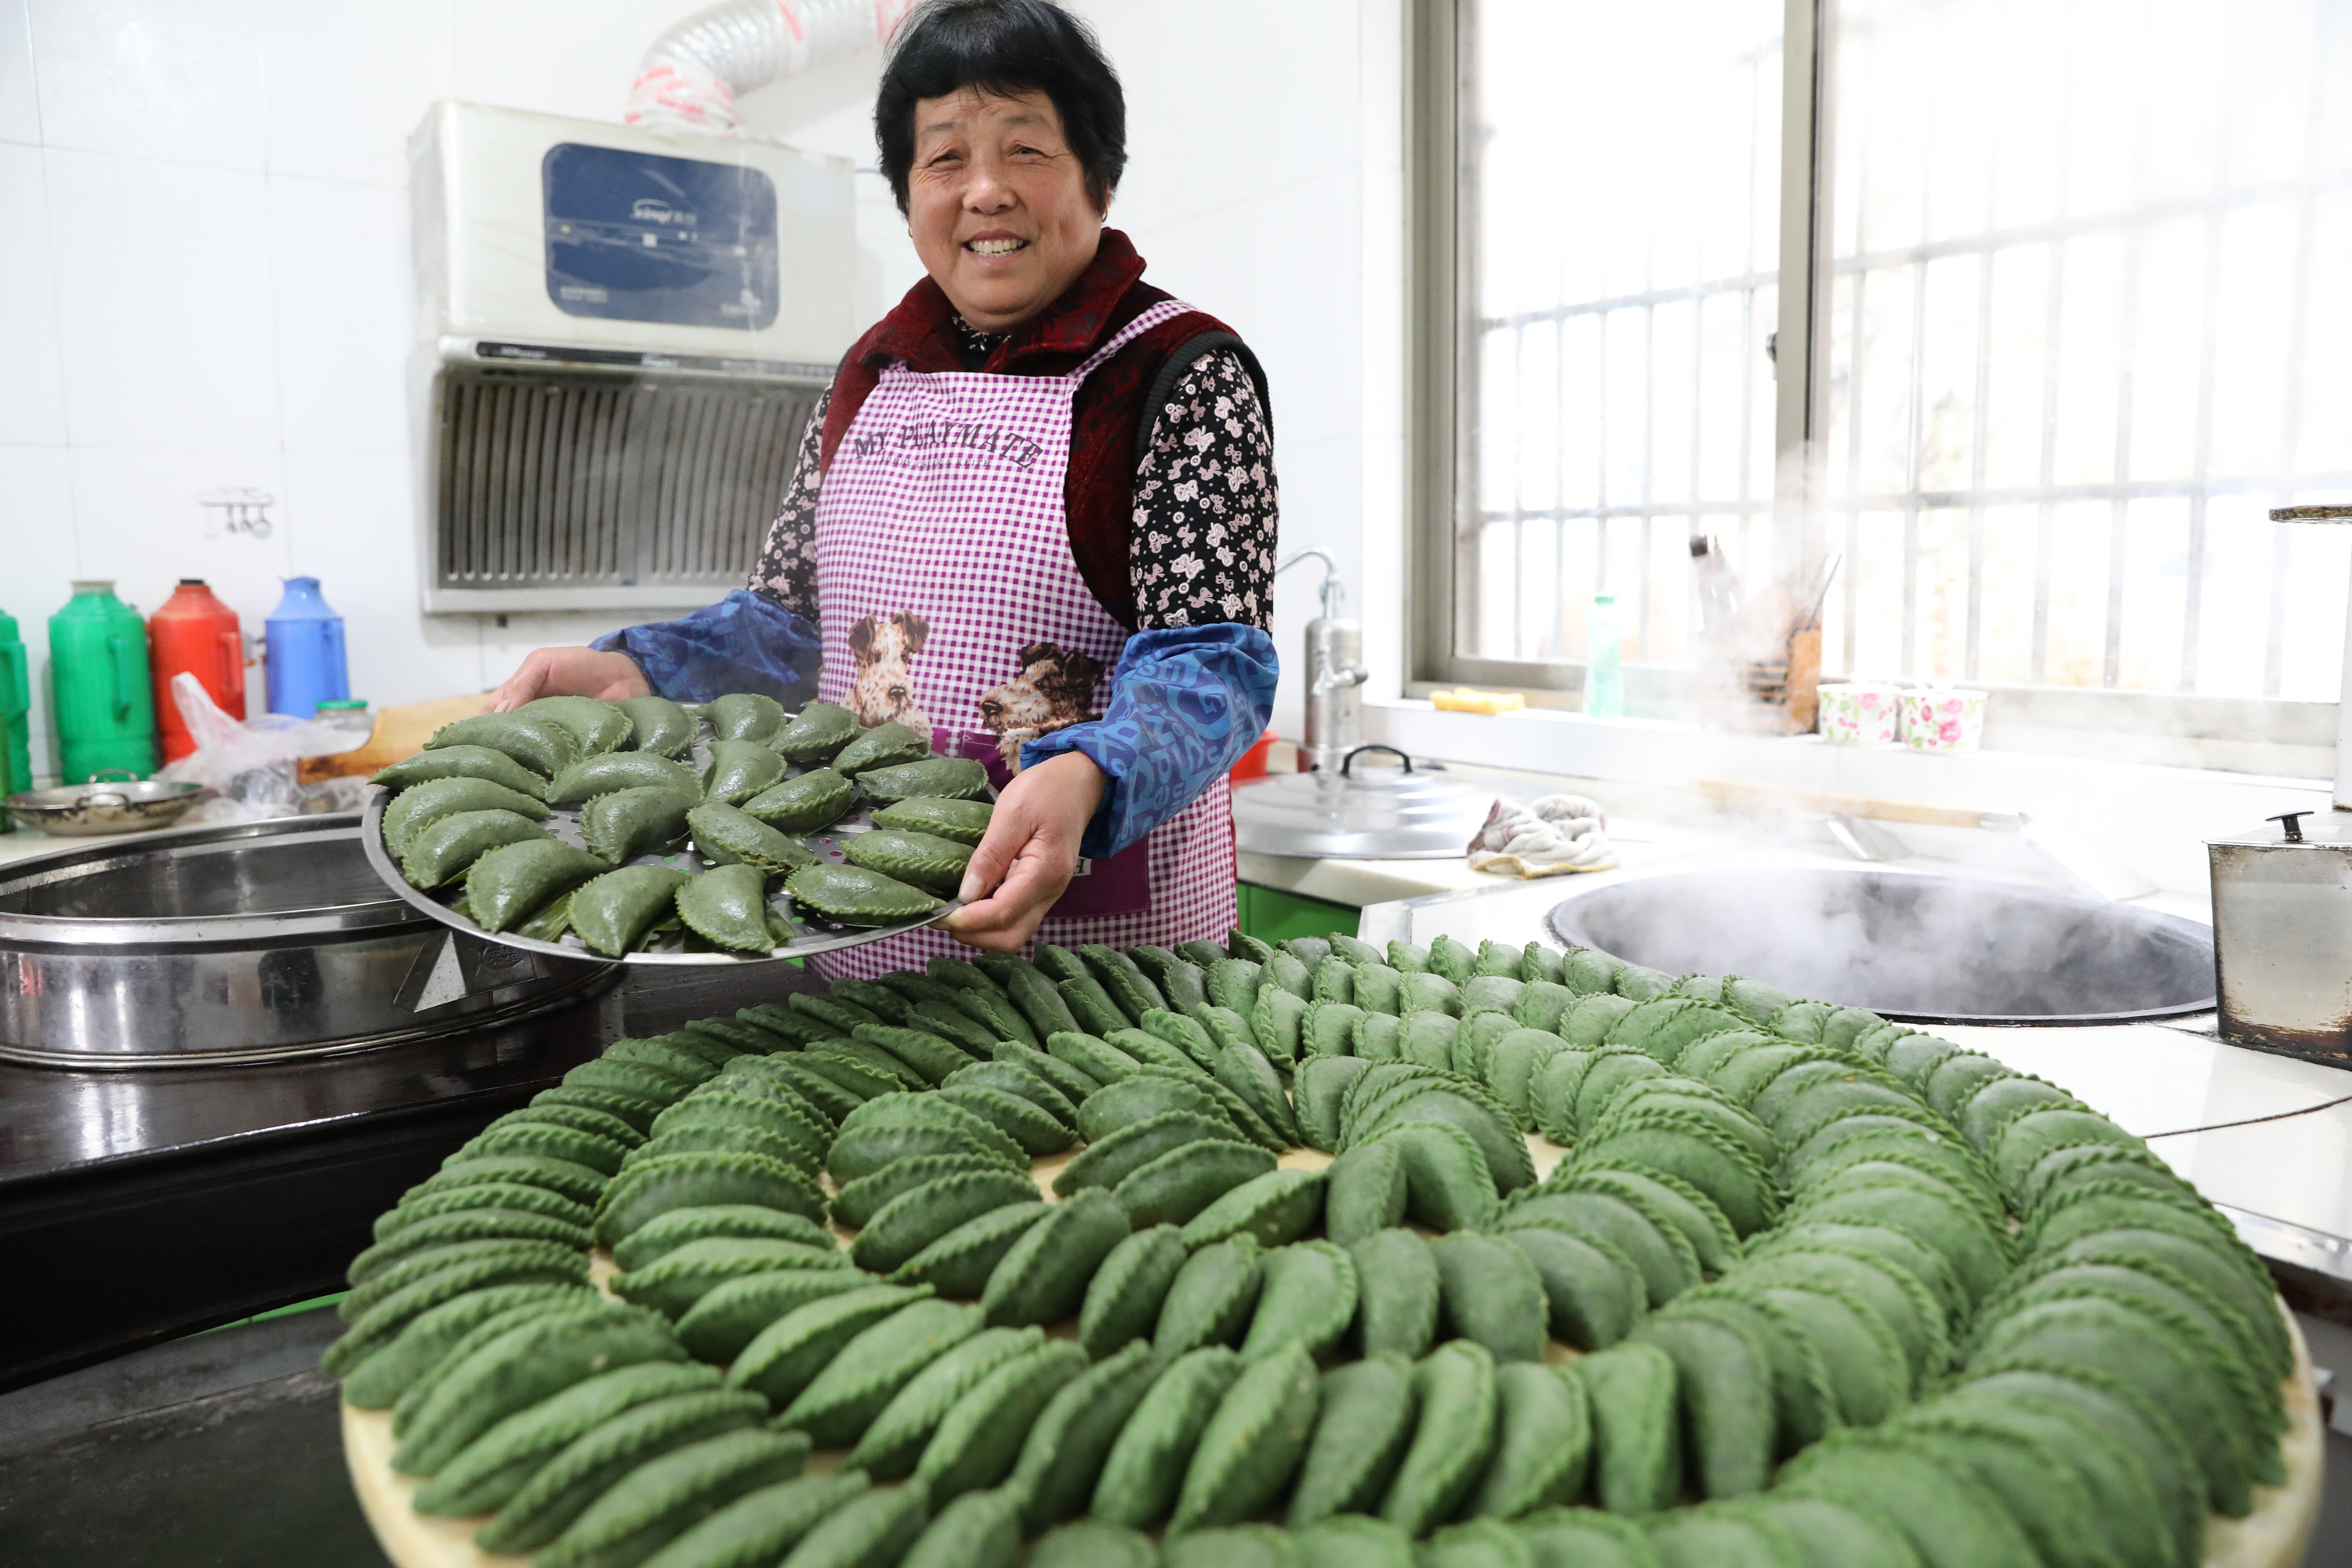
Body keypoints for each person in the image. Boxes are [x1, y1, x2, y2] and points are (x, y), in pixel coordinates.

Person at [489, 0, 1279, 971]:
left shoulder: (1174, 372)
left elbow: (1215, 664)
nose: (983, 190)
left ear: (1099, 178)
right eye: (943, 158)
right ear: (909, 197)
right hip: (862, 931)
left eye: (1024, 148)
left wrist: (1091, 773)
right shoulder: (871, 372)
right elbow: (789, 626)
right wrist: (643, 668)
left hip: (1096, 956)